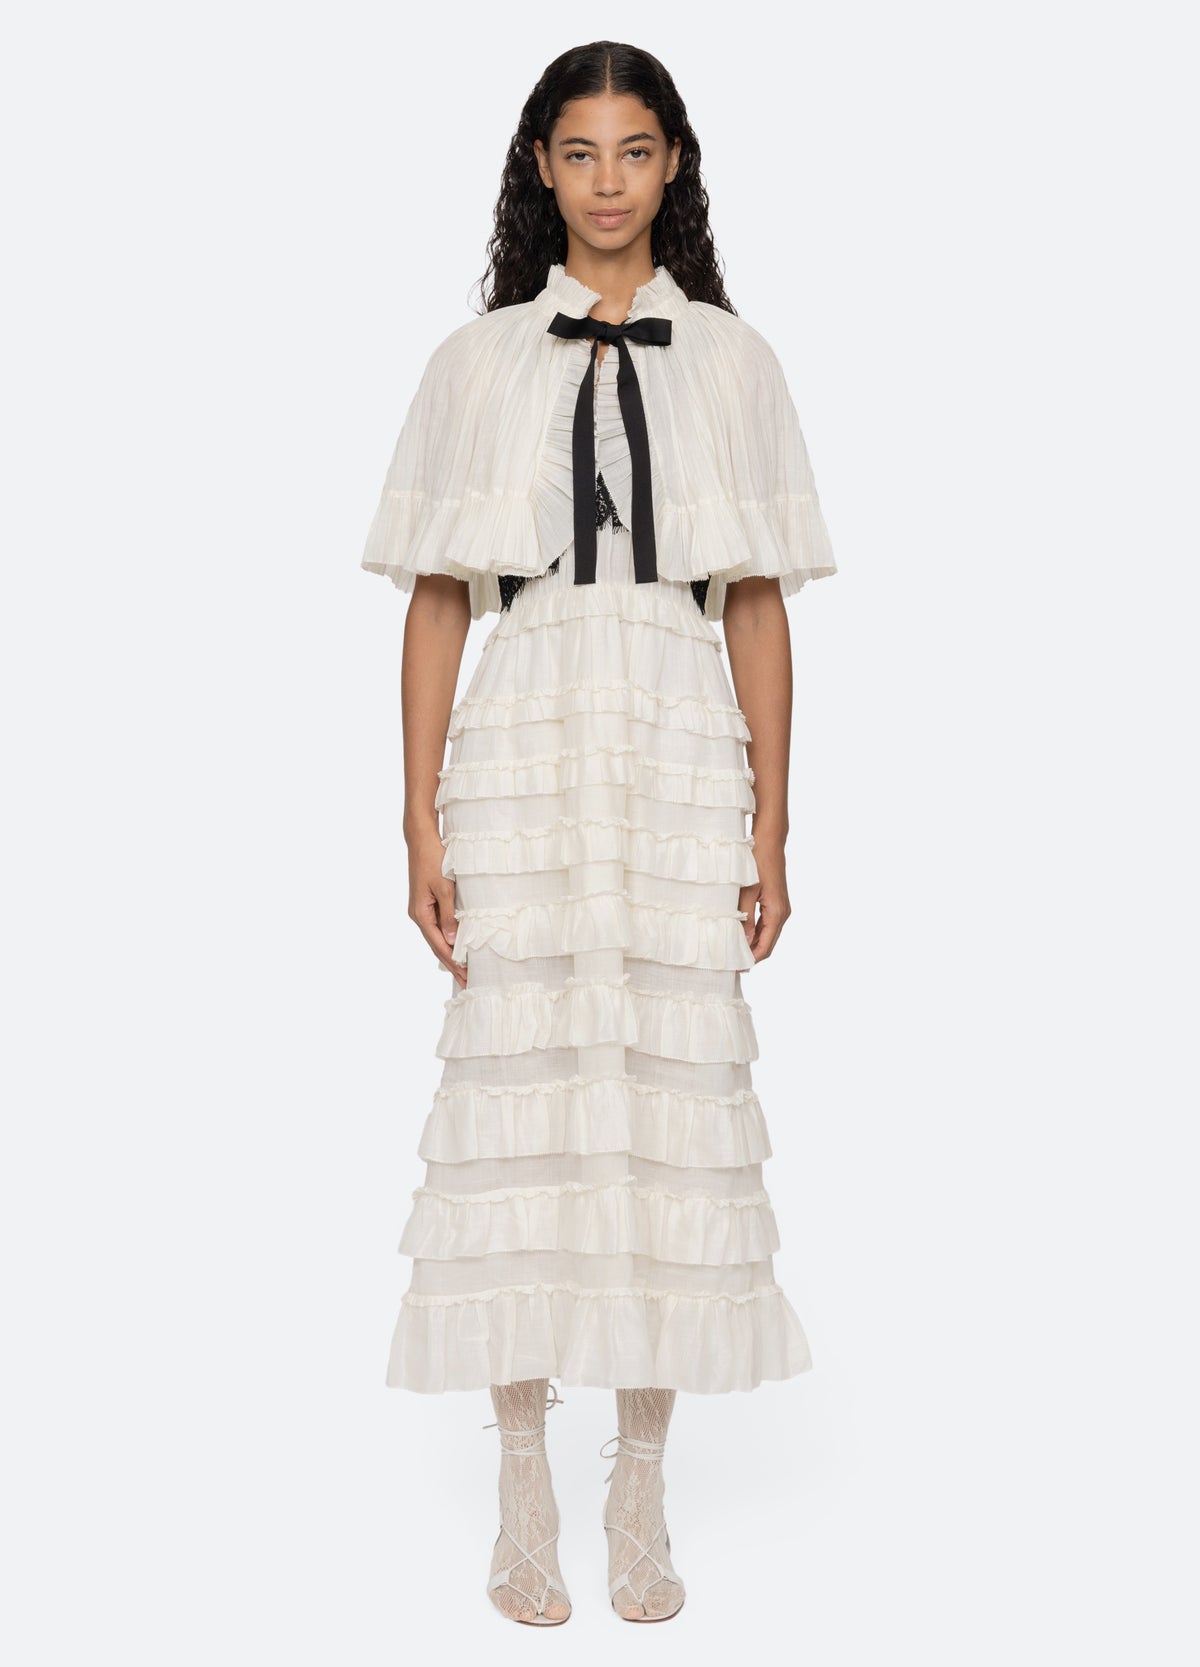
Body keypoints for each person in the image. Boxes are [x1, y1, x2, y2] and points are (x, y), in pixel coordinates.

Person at [360, 39, 837, 1626]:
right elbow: (441, 600)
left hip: (680, 742)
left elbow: (755, 603)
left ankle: (639, 1485)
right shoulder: (476, 361)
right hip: (526, 737)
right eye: (580, 151)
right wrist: (417, 819)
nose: (610, 180)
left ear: (674, 163)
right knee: (523, 1100)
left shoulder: (734, 361)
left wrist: (775, 823)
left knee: (666, 1106)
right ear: (541, 167)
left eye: (636, 150)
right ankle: (521, 1484)